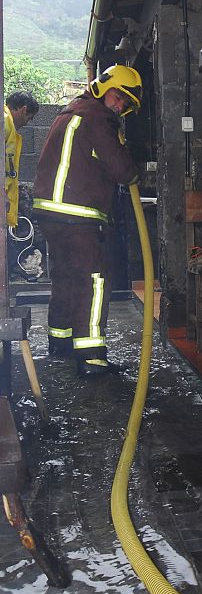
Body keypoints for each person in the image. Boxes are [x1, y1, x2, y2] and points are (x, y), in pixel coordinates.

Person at [32, 64, 142, 377]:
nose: (120, 106)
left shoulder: (71, 111)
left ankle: (60, 341)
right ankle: (92, 355)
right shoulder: (97, 117)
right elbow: (120, 167)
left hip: (51, 213)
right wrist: (135, 172)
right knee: (94, 280)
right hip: (77, 213)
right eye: (119, 98)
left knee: (66, 276)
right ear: (103, 88)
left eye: (125, 104)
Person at [4, 90, 39, 228]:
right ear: (23, 110)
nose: (26, 123)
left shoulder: (8, 125)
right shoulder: (4, 122)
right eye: (29, 118)